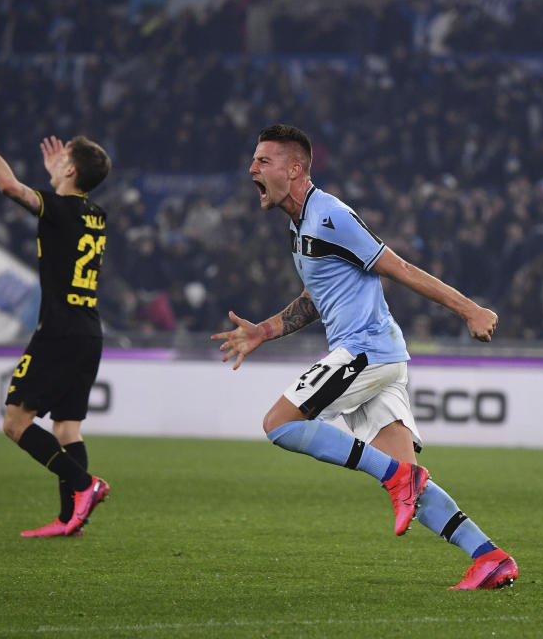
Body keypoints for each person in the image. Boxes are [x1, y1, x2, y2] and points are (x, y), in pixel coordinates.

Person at [212, 124, 518, 589]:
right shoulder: (301, 227)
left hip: (365, 352)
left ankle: (399, 480)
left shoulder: (330, 215)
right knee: (407, 476)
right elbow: (318, 297)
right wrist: (266, 330)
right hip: (379, 355)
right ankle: (489, 557)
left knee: (280, 424)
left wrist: (469, 309)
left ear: (294, 169)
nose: (252, 168)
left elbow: (399, 268)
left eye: (263, 161)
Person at [0, 91, 112, 537]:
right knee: (66, 426)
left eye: (64, 161)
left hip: (58, 332)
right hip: (88, 331)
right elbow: (65, 204)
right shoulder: (96, 214)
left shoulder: (58, 208)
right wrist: (59, 179)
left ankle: (85, 486)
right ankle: (68, 520)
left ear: (72, 170)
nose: (56, 162)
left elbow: (7, 186)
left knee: (15, 423)